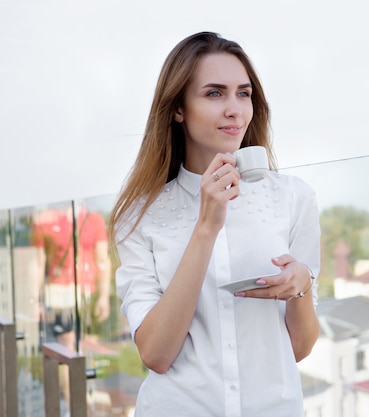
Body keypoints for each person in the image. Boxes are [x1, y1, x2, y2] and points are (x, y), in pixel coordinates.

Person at [109, 31, 321, 417]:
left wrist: (301, 285)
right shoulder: (140, 216)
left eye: (244, 93)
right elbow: (156, 354)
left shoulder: (292, 198)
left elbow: (300, 348)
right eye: (214, 93)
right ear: (177, 108)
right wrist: (205, 227)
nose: (235, 109)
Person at [31, 205, 111, 408]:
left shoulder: (94, 219)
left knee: (86, 346)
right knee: (69, 350)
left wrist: (103, 296)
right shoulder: (45, 220)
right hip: (60, 295)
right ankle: (76, 402)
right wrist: (34, 301)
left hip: (86, 295)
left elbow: (103, 260)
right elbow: (38, 262)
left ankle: (84, 400)